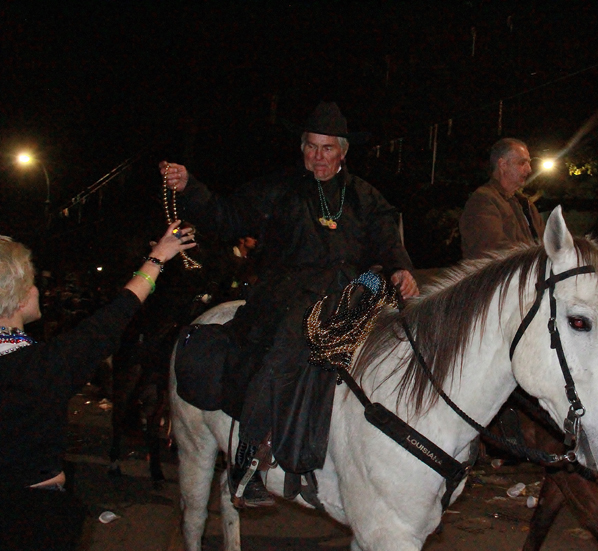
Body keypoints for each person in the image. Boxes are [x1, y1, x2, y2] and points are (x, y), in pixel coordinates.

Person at [160, 101, 418, 508]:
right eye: (311, 147)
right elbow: (226, 217)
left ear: (343, 151)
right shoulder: (277, 189)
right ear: (302, 148)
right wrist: (191, 186)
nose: (318, 156)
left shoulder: (366, 196)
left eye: (327, 148)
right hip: (288, 293)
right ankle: (247, 459)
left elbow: (388, 238)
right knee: (285, 351)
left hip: (352, 291)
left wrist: (401, 268)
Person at [0, 222, 194, 551]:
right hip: (31, 532)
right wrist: (156, 260)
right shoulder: (43, 367)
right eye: (33, 282)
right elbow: (112, 318)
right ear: (20, 296)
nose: (39, 288)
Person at [459, 138, 545, 260]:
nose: (529, 169)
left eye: (529, 163)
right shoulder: (483, 200)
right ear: (502, 165)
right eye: (522, 163)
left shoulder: (525, 204)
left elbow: (544, 243)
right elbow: (491, 251)